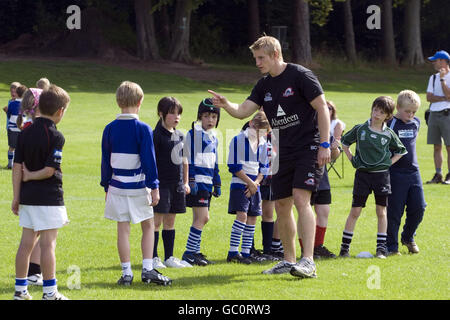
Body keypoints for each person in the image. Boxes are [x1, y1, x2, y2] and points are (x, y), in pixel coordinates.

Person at [208, 35, 331, 279]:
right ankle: (288, 260)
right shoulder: (263, 85)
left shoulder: (301, 75)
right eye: (255, 58)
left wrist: (325, 144)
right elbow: (243, 111)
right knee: (281, 205)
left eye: (261, 58)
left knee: (300, 199)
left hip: (308, 146)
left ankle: (308, 261)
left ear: (275, 54)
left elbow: (322, 108)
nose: (257, 63)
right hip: (280, 150)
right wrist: (226, 104)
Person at [101, 81, 172, 286]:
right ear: (140, 102)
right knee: (148, 226)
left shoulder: (109, 129)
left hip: (116, 185)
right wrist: (155, 186)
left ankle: (126, 274)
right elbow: (149, 161)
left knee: (122, 229)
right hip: (138, 185)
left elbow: (106, 162)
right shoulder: (143, 128)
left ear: (118, 102)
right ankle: (148, 269)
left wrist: (106, 186)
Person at [12, 84, 71, 300]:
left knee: (26, 243)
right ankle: (49, 293)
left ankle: (20, 291)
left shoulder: (24, 133)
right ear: (60, 111)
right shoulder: (56, 136)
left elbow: (17, 168)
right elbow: (48, 171)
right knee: (48, 244)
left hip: (27, 197)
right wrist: (31, 176)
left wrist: (16, 196)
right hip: (49, 198)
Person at [339, 96, 407, 259]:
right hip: (362, 176)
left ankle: (381, 249)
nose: (377, 114)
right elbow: (344, 142)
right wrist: (352, 159)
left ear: (388, 116)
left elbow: (401, 151)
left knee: (381, 211)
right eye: (375, 109)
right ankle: (344, 249)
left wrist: (388, 163)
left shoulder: (388, 134)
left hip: (381, 177)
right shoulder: (360, 129)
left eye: (381, 112)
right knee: (355, 210)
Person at [152, 96, 192, 269]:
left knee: (170, 221)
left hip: (177, 185)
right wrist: (152, 185)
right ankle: (153, 257)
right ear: (161, 114)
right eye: (172, 113)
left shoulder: (181, 135)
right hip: (161, 184)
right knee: (156, 222)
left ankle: (169, 257)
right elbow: (151, 162)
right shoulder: (155, 136)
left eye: (178, 114)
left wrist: (185, 182)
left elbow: (185, 160)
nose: (176, 117)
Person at [302, 101, 345, 259]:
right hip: (305, 175)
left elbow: (334, 156)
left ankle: (318, 246)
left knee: (323, 211)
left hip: (322, 177)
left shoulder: (326, 131)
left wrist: (334, 148)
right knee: (305, 212)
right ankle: (305, 248)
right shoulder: (305, 128)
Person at [181, 98, 221, 266]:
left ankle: (195, 252)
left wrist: (217, 182)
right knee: (203, 218)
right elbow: (188, 158)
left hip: (207, 183)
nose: (210, 120)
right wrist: (191, 180)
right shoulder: (194, 134)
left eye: (213, 116)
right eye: (206, 116)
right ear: (199, 117)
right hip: (198, 183)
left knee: (201, 218)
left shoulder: (214, 137)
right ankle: (189, 253)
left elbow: (215, 162)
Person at [226, 111, 270, 264]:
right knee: (242, 216)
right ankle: (233, 252)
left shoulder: (264, 143)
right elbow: (234, 166)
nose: (259, 135)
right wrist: (250, 183)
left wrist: (256, 183)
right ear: (251, 124)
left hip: (255, 185)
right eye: (257, 131)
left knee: (252, 217)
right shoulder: (238, 140)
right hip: (240, 183)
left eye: (263, 133)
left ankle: (245, 253)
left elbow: (264, 167)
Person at [386, 90, 426, 255]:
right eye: (407, 111)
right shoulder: (390, 124)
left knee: (419, 207)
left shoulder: (416, 122)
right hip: (395, 173)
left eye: (413, 112)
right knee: (395, 211)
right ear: (398, 108)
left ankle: (408, 237)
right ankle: (391, 247)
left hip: (414, 173)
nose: (410, 115)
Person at [425, 50, 450, 184]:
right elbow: (429, 97)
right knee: (436, 146)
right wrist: (443, 98)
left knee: (449, 146)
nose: (434, 63)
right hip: (434, 114)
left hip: (447, 114)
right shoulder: (432, 77)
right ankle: (438, 174)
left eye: (435, 60)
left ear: (442, 61)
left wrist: (442, 79)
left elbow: (449, 96)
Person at [6, 84, 27, 169]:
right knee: (23, 147)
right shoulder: (26, 105)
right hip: (22, 128)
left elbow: (8, 115)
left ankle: (10, 163)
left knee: (12, 147)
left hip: (12, 128)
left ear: (17, 94)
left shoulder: (11, 103)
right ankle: (22, 164)